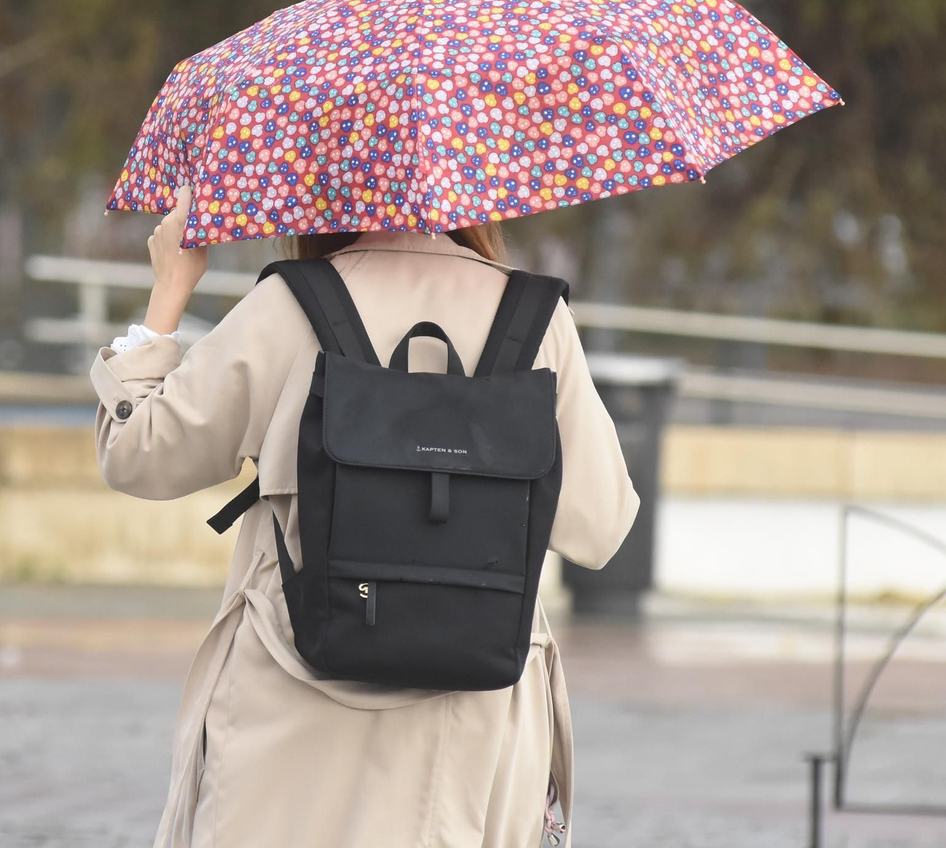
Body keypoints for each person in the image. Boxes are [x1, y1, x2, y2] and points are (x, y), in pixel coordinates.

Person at [91, 186, 640, 848]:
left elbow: (140, 454)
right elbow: (601, 527)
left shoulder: (290, 306)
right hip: (477, 715)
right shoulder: (535, 318)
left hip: (294, 716)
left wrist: (168, 293)